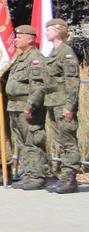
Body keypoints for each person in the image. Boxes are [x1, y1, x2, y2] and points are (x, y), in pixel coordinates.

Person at [5, 25, 49, 190]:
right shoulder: (20, 58)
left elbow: (38, 85)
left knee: (33, 141)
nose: (16, 39)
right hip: (14, 105)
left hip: (27, 106)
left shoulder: (35, 58)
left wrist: (31, 105)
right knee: (23, 143)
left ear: (29, 39)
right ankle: (29, 173)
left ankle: (38, 175)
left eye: (19, 37)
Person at [43, 18, 81, 194]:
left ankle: (70, 178)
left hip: (63, 103)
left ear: (58, 31)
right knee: (61, 140)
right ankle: (65, 177)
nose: (46, 33)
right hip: (53, 102)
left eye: (49, 30)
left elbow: (72, 81)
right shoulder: (54, 52)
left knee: (68, 141)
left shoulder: (66, 52)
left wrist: (69, 106)